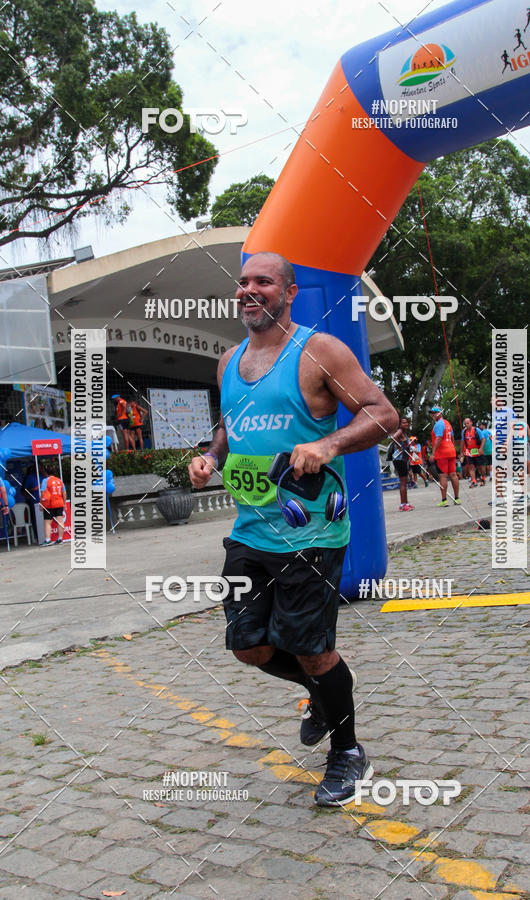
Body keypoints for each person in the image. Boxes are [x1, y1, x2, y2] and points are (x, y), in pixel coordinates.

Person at [188, 251, 398, 807]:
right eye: (243, 281)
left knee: (311, 647)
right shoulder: (229, 360)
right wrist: (209, 455)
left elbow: (383, 412)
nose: (249, 290)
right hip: (250, 529)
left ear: (289, 292)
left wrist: (327, 444)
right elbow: (229, 425)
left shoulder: (318, 350)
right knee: (248, 645)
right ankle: (320, 696)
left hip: (311, 532)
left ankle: (348, 751)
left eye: (264, 281)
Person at [429, 406, 460, 507]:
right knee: (453, 474)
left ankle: (444, 500)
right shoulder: (447, 423)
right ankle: (457, 498)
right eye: (432, 413)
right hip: (451, 451)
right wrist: (452, 447)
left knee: (443, 476)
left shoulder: (438, 424)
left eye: (435, 413)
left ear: (440, 413)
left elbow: (438, 438)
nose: (433, 415)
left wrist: (433, 453)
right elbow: (452, 437)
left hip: (442, 453)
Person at [390, 416, 414, 511]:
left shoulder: (404, 433)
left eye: (407, 422)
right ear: (400, 424)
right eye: (403, 423)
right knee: (403, 482)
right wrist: (399, 446)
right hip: (399, 459)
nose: (406, 424)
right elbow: (394, 437)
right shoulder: (400, 431)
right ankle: (403, 504)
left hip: (403, 459)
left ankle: (406, 502)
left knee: (405, 482)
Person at [39, 465, 67, 545]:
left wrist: (41, 504)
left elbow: (43, 492)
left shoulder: (45, 480)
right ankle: (60, 538)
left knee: (48, 522)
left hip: (49, 504)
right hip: (59, 503)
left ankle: (48, 540)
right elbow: (64, 493)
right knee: (60, 521)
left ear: (46, 473)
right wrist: (64, 503)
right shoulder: (59, 481)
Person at [461, 417, 484, 487]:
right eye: (465, 424)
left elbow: (483, 439)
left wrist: (481, 448)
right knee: (471, 467)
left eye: (467, 423)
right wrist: (462, 452)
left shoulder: (477, 430)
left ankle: (483, 478)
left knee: (480, 466)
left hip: (477, 450)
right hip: (469, 451)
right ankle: (474, 481)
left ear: (471, 423)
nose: (466, 425)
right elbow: (462, 442)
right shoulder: (464, 432)